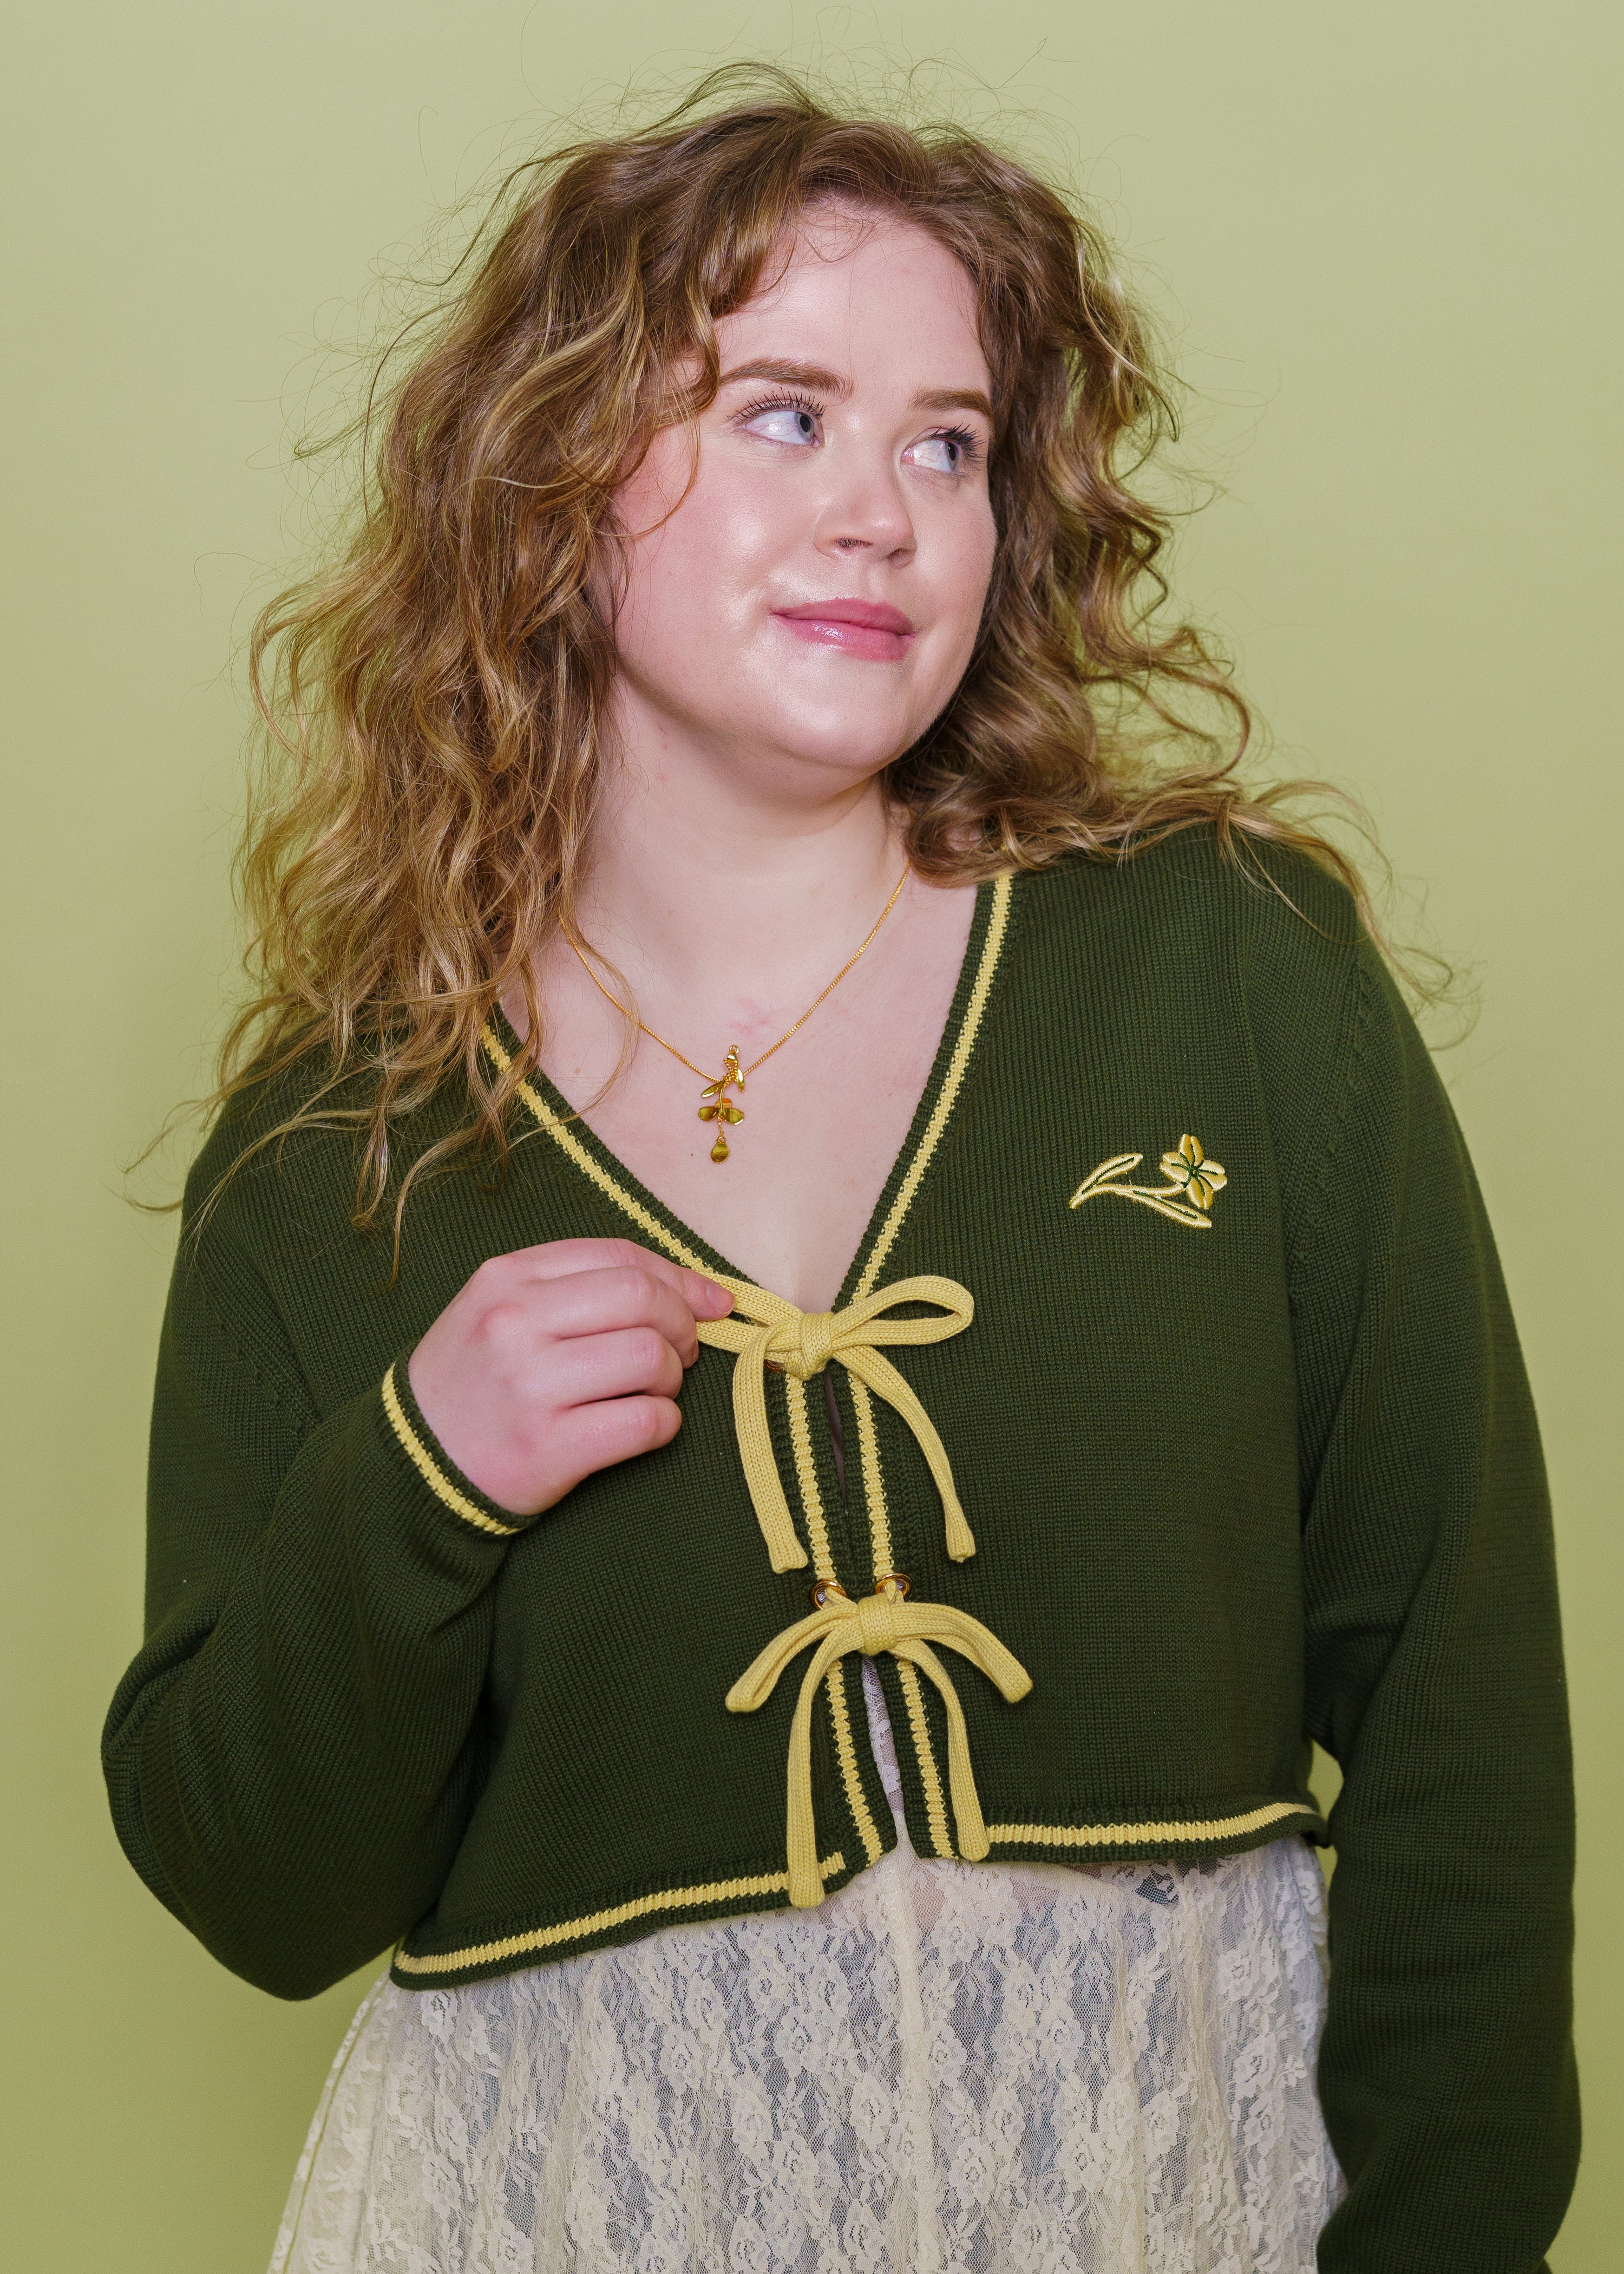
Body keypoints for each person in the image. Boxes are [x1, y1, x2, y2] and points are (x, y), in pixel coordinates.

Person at [104, 69, 1578, 2274]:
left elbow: (1467, 1724)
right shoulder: (337, 1163)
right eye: (785, 412)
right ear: (550, 484)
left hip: (1186, 2194)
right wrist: (421, 1471)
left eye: (949, 443)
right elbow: (254, 1885)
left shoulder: (1233, 978)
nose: (886, 512)